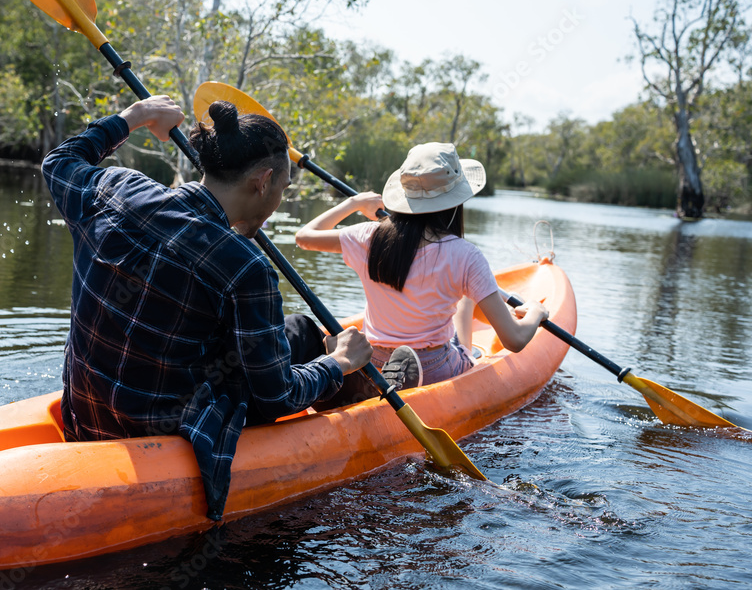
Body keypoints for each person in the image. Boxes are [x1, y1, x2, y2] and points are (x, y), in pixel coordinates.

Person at [42, 95, 372, 521]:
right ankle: (365, 393)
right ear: (263, 180)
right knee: (306, 336)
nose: (278, 202)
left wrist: (135, 116)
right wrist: (339, 363)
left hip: (85, 420)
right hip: (168, 436)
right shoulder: (246, 268)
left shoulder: (116, 189)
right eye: (283, 190)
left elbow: (60, 160)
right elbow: (277, 397)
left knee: (292, 329)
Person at [295, 141, 548, 391]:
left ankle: (370, 379)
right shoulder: (467, 256)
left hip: (371, 359)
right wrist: (537, 312)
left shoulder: (368, 235)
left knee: (465, 299)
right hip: (434, 366)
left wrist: (355, 203)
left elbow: (304, 237)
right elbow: (514, 340)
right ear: (455, 200)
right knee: (465, 327)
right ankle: (436, 366)